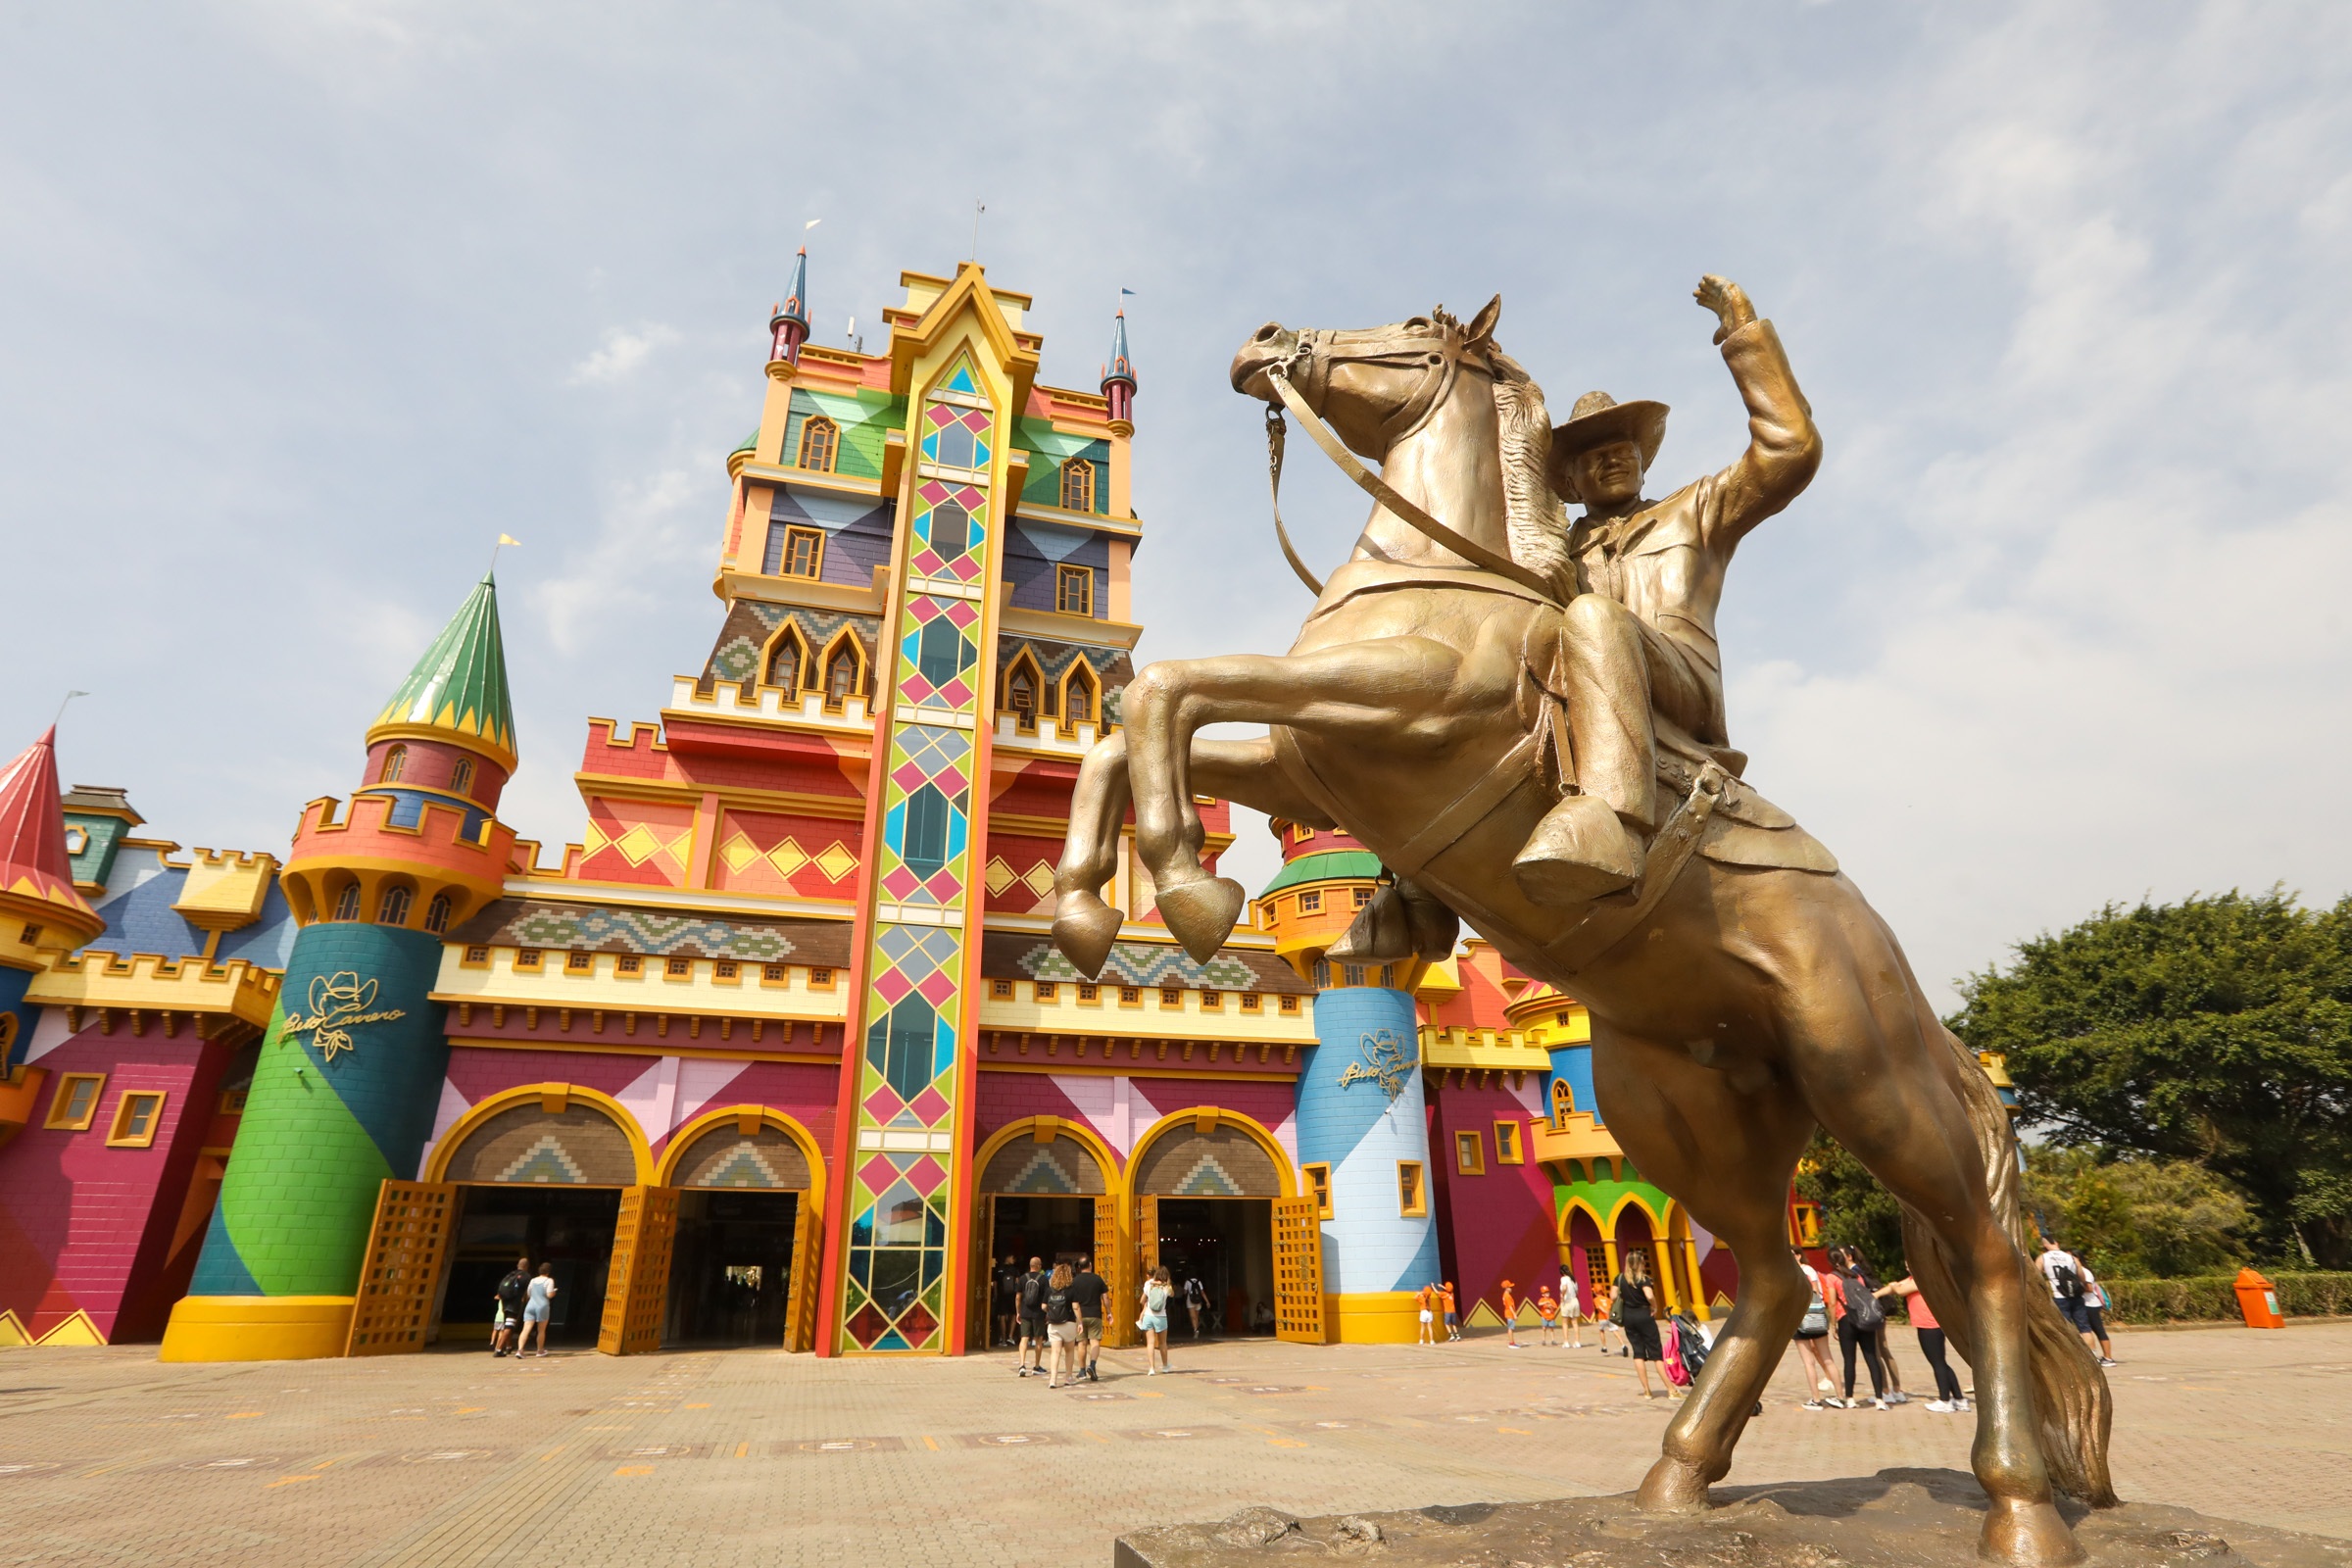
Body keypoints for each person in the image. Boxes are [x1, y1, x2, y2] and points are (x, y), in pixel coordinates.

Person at [1515, 275, 1821, 901]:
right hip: (1581, 693)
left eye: (1624, 444)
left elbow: (1790, 450)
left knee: (1594, 617)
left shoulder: (1697, 510)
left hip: (1679, 683)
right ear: (1568, 478)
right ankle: (1411, 892)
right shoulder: (1555, 550)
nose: (1614, 457)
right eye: (1593, 452)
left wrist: (1743, 338)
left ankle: (1615, 825)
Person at [1877, 1266, 1968, 1413]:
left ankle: (1945, 1400)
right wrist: (1875, 1295)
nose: (1907, 1265)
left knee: (1937, 1363)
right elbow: (1893, 1287)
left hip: (1930, 1325)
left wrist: (1895, 1287)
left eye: (1909, 1262)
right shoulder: (1913, 1278)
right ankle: (1959, 1399)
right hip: (1926, 1325)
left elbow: (1899, 1290)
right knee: (1941, 1363)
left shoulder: (1923, 1278)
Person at [1828, 1247, 1888, 1410]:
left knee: (1849, 1360)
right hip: (1864, 1318)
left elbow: (1832, 1303)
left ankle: (1850, 1398)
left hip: (1845, 1319)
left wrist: (1833, 1324)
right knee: (1871, 1358)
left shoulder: (1832, 1278)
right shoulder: (1857, 1275)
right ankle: (1879, 1399)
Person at [1610, 1251, 1667, 1396]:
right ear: (1639, 1263)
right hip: (1644, 1315)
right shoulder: (1644, 1279)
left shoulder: (1620, 1278)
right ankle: (1671, 1389)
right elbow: (1649, 1295)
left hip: (1628, 1316)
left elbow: (1613, 1296)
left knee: (1638, 1353)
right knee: (1656, 1353)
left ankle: (1647, 1390)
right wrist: (1654, 1306)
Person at [1791, 1248, 1837, 1409]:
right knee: (1814, 1353)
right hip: (1806, 1317)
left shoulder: (1807, 1270)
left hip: (1810, 1315)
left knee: (1818, 1355)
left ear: (1798, 1255)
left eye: (1792, 1254)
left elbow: (1815, 1291)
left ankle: (1826, 1386)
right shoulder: (1792, 1271)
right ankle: (1831, 1386)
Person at [1070, 1255, 1110, 1382]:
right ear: (1090, 1265)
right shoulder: (1098, 1279)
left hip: (1080, 1316)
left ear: (1079, 1267)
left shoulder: (1074, 1281)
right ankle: (1092, 1365)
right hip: (1095, 1314)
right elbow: (1106, 1298)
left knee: (1081, 1343)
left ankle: (1082, 1371)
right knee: (1095, 1341)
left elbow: (1072, 1300)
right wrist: (1109, 1312)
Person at [1042, 1263, 1082, 1388]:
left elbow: (1043, 1306)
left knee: (1055, 1352)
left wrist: (1051, 1312)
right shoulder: (1071, 1290)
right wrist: (1080, 1322)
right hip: (1069, 1323)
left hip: (1054, 1324)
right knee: (1069, 1351)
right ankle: (1068, 1377)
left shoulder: (1050, 1290)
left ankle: (1053, 1379)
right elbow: (1075, 1307)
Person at [2077, 1263, 2119, 1367]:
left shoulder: (2085, 1272)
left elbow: (2090, 1288)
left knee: (2097, 1330)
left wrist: (2074, 1289)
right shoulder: (2078, 1270)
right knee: (2089, 1331)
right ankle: (2099, 1357)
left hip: (2091, 1305)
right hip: (2086, 1304)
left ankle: (2108, 1358)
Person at [514, 1262, 557, 1357]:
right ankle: (540, 1350)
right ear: (549, 1271)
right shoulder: (549, 1280)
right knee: (541, 1330)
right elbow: (549, 1294)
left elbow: (529, 1293)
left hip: (530, 1305)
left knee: (526, 1329)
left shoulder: (533, 1280)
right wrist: (554, 1292)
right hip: (542, 1306)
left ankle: (520, 1350)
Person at [1016, 1256, 1049, 1378]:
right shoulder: (1044, 1279)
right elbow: (1047, 1297)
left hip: (1025, 1312)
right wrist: (1047, 1312)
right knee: (1038, 1339)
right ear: (1039, 1266)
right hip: (1038, 1313)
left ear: (1030, 1266)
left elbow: (1018, 1297)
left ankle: (1022, 1365)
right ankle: (1036, 1366)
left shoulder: (1023, 1278)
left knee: (1024, 1338)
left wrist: (1018, 1311)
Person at [1139, 1265, 1173, 1375]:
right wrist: (1166, 1283)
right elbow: (1172, 1294)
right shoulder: (1167, 1287)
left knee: (1150, 1343)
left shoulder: (1148, 1284)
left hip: (1149, 1316)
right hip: (1161, 1317)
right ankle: (1165, 1366)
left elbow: (1141, 1300)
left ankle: (1151, 1368)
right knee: (1162, 1343)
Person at [493, 1256, 528, 1357]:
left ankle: (508, 1346)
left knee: (508, 1326)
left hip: (505, 1303)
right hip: (514, 1304)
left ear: (518, 1265)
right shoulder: (526, 1276)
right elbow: (527, 1292)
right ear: (526, 1266)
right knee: (509, 1327)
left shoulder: (511, 1274)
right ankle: (498, 1349)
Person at [996, 1254, 1020, 1349]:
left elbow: (995, 1284)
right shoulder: (1015, 1270)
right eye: (1012, 1257)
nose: (1014, 1259)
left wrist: (995, 1295)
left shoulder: (999, 1270)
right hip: (1012, 1296)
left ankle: (1003, 1339)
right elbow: (1018, 1283)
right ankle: (1010, 1336)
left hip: (1002, 1296)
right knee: (1013, 1314)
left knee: (1002, 1316)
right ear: (1007, 1258)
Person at [1561, 1266, 1584, 1348]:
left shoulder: (1564, 1278)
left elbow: (1564, 1288)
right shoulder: (1573, 1279)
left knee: (1565, 1322)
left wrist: (1562, 1295)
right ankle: (1577, 1342)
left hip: (1567, 1300)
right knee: (1575, 1322)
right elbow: (1577, 1291)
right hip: (1575, 1300)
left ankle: (1566, 1341)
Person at [1183, 1274, 1208, 1340]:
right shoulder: (1199, 1281)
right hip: (1198, 1301)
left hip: (1190, 1301)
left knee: (1192, 1317)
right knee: (1196, 1317)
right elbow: (1202, 1292)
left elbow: (1185, 1292)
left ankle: (1195, 1330)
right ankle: (1196, 1329)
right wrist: (1207, 1301)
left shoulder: (1187, 1281)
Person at [1500, 1280, 1521, 1348]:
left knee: (1511, 1328)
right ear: (1507, 1288)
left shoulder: (1505, 1295)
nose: (1511, 1288)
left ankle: (1512, 1342)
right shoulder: (1507, 1296)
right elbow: (1510, 1306)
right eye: (1510, 1287)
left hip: (1508, 1313)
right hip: (1509, 1313)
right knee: (1511, 1328)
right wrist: (1514, 1314)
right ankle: (1511, 1343)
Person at [1416, 1281, 1437, 1346]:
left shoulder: (1422, 1298)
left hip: (1423, 1312)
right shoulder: (1429, 1298)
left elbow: (1415, 1297)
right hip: (1429, 1312)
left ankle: (1421, 1340)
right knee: (1429, 1327)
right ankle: (1431, 1341)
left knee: (1422, 1327)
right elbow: (1427, 1294)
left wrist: (1419, 1293)